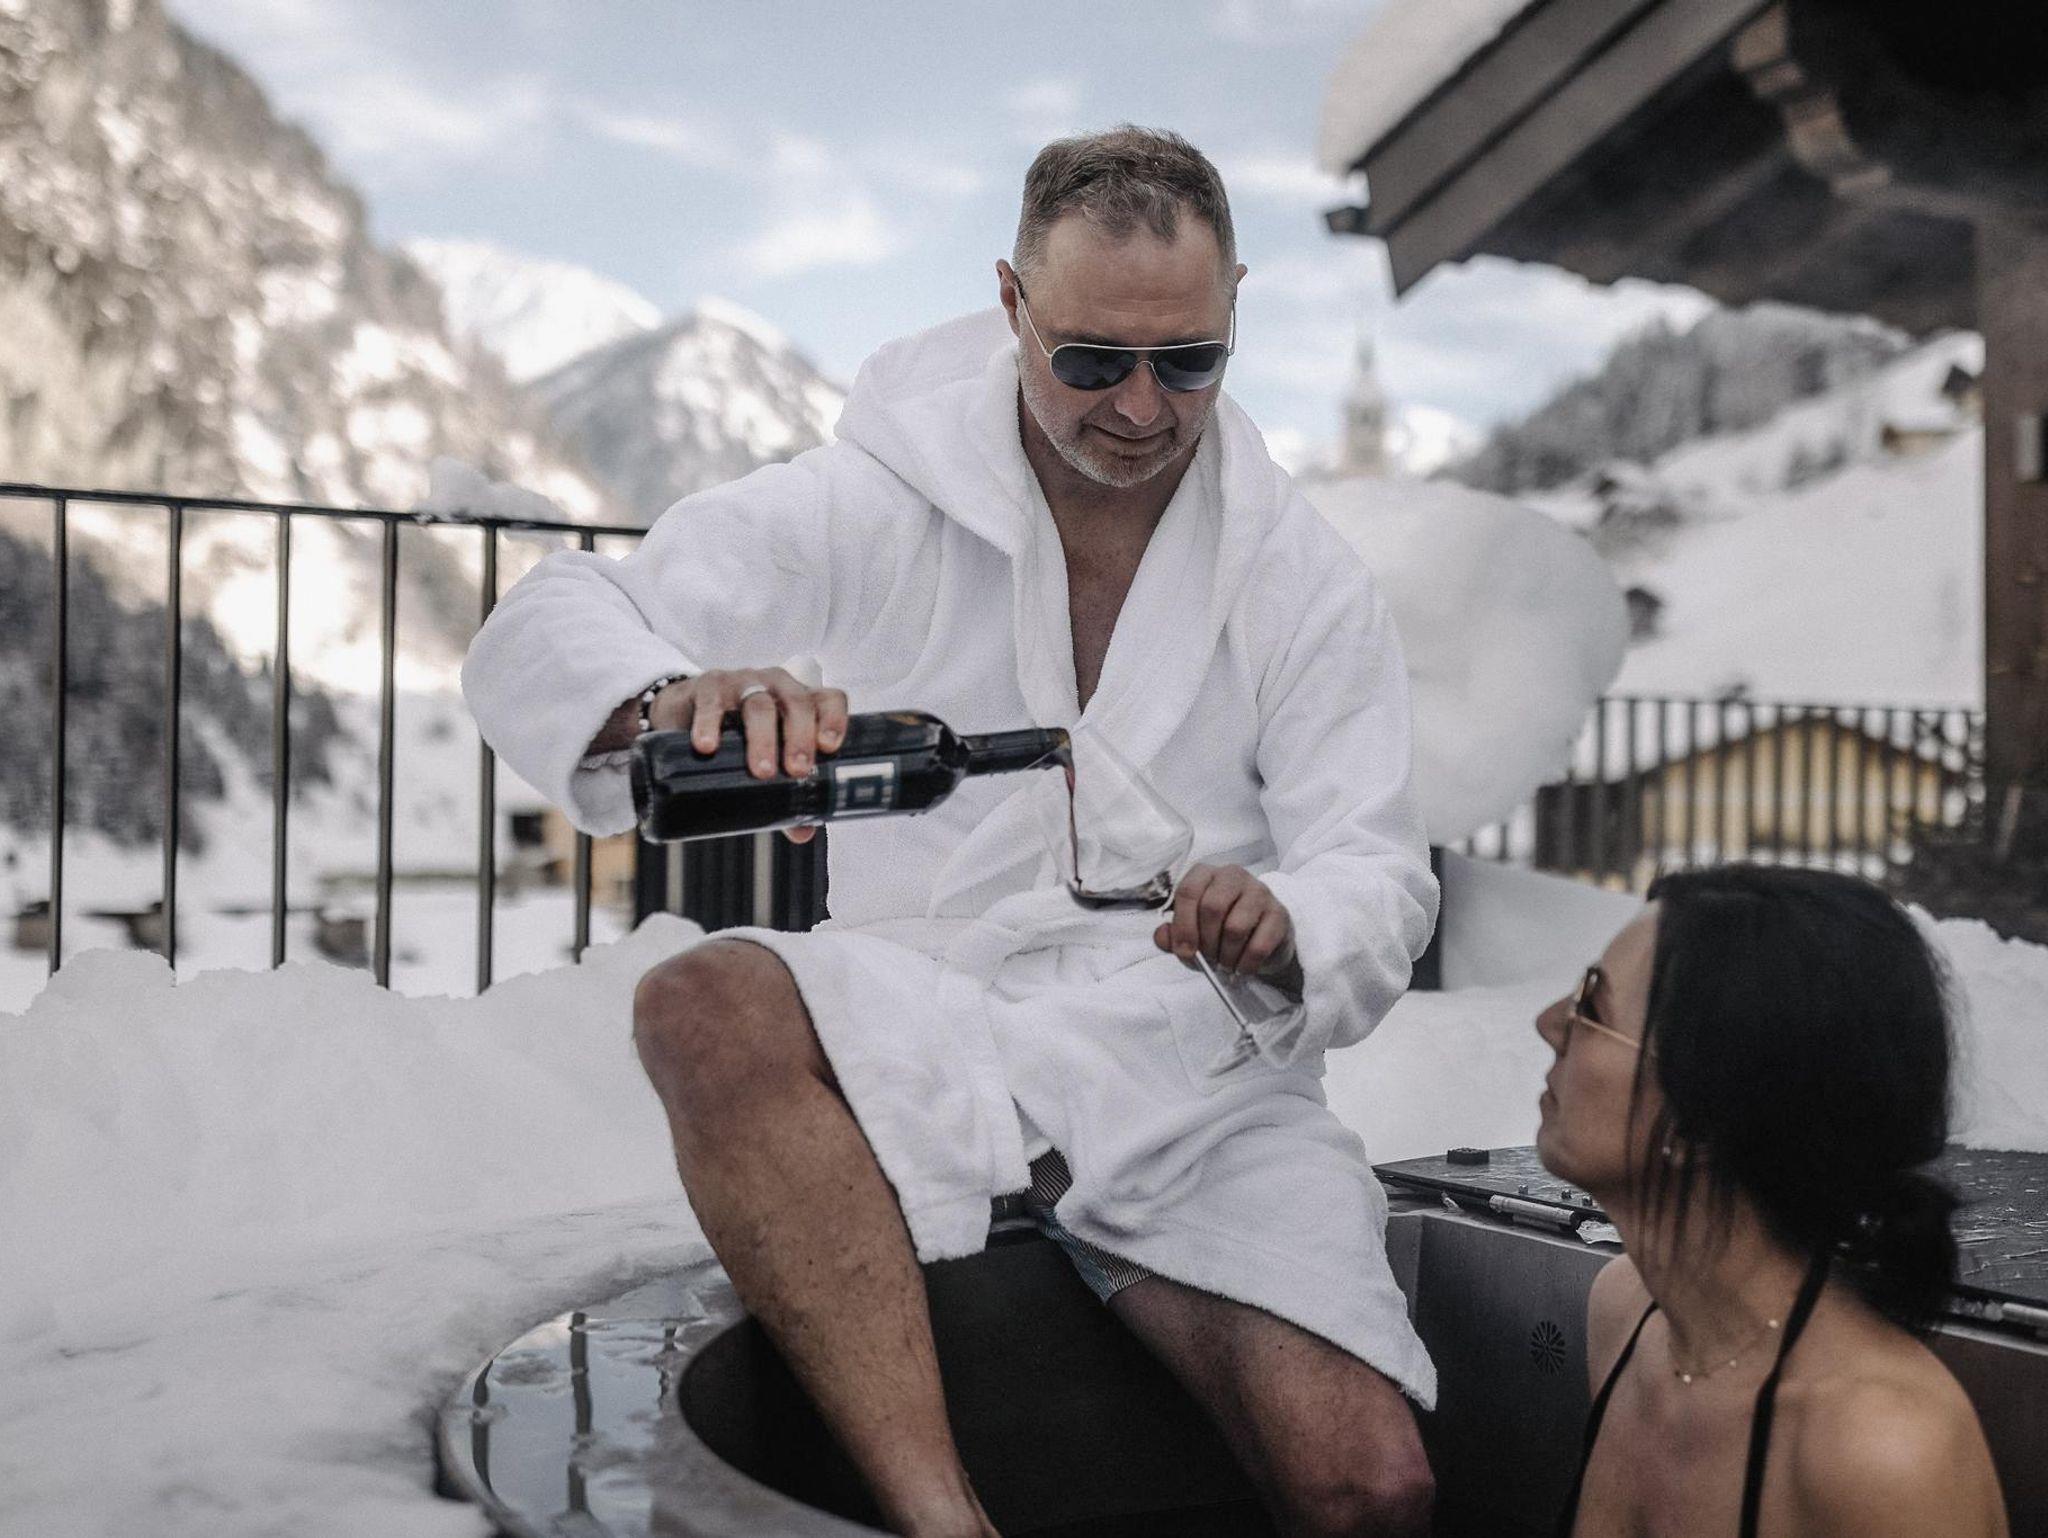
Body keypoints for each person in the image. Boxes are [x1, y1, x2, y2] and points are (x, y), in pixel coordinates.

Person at [464, 126, 1439, 1538]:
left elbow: (1376, 868)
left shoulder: (1302, 579)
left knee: (1370, 1486)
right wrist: (670, 694)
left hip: (1185, 1056)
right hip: (933, 1006)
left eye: (1188, 361)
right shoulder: (882, 497)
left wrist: (1292, 923)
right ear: (1009, 302)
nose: (1142, 408)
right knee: (702, 1005)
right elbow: (554, 614)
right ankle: (942, 1520)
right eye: (1091, 360)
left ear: (1237, 306)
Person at [1536, 865, 2008, 1538]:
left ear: (1701, 1122)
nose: (1548, 1023)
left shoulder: (1883, 1450)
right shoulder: (1627, 1316)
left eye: (1591, 1008)